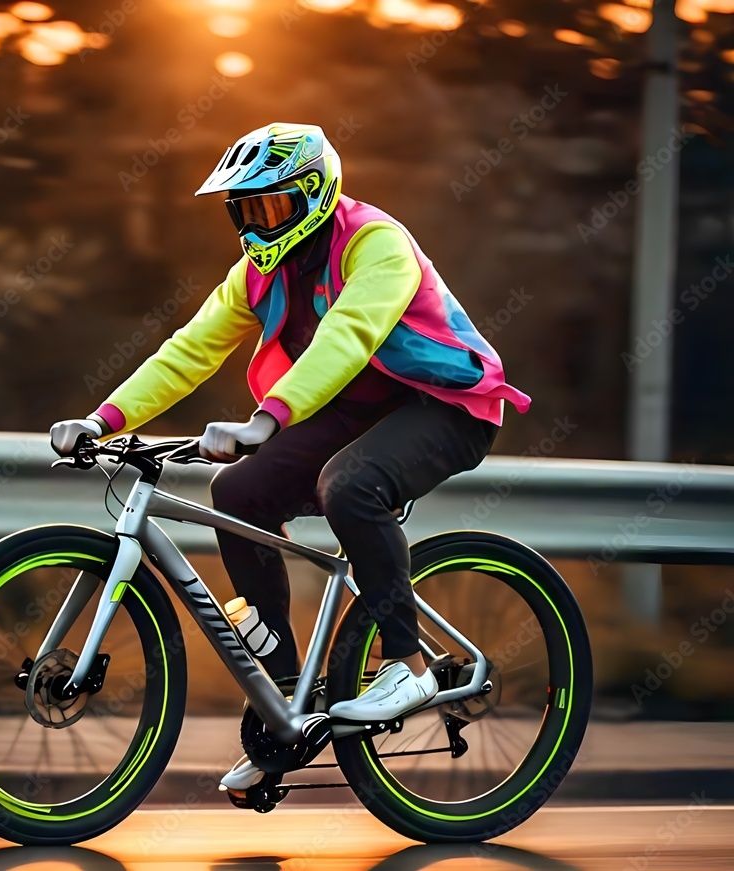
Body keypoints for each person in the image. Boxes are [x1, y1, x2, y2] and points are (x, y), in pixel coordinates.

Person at [50, 122, 531, 794]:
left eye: (271, 206)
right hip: (356, 409)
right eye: (244, 210)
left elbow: (348, 336)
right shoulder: (257, 272)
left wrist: (266, 417)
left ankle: (409, 663)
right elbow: (189, 351)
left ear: (315, 193)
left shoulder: (375, 243)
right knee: (237, 490)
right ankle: (285, 709)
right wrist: (103, 419)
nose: (256, 224)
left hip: (446, 406)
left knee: (350, 482)